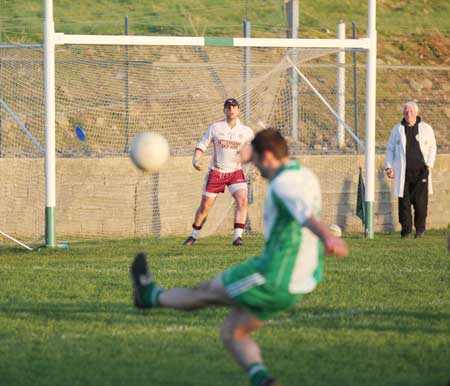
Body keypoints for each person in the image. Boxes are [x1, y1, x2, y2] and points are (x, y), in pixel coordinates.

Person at [131, 128, 348, 386]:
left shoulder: (284, 185)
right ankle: (263, 380)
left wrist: (328, 238)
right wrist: (246, 153)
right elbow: (301, 212)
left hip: (274, 275)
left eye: (256, 160)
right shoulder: (303, 175)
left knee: (205, 292)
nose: (254, 166)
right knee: (233, 332)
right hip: (299, 281)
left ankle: (149, 296)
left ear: (266, 157)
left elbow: (307, 218)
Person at [183, 98, 254, 246]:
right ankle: (193, 236)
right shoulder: (216, 127)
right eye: (228, 107)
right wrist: (195, 160)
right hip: (216, 172)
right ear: (224, 110)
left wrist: (257, 169)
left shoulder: (246, 131)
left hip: (235, 172)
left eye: (234, 107)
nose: (231, 109)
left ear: (239, 110)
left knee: (243, 200)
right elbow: (202, 143)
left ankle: (237, 238)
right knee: (205, 207)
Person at [385, 101, 437, 239]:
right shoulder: (397, 129)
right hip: (403, 174)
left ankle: (420, 230)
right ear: (403, 114)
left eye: (411, 111)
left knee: (421, 204)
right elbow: (390, 148)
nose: (409, 114)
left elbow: (433, 147)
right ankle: (406, 231)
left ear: (416, 113)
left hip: (421, 173)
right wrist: (389, 167)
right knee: (404, 204)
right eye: (406, 112)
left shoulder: (426, 128)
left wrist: (428, 166)